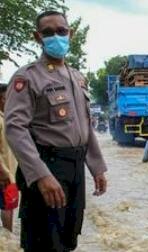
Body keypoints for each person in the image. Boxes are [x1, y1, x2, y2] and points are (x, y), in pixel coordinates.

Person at [4, 11, 107, 251]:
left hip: (75, 168)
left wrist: (97, 167)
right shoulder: (27, 77)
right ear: (37, 37)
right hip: (47, 167)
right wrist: (41, 175)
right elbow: (15, 128)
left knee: (68, 239)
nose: (56, 37)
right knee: (44, 241)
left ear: (70, 34)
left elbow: (85, 126)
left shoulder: (77, 78)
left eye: (61, 31)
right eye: (48, 33)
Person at [0, 84, 18, 232]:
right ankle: (8, 238)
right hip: (4, 173)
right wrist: (5, 173)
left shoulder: (6, 118)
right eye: (7, 98)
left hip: (9, 171)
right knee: (7, 206)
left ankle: (7, 240)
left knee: (9, 206)